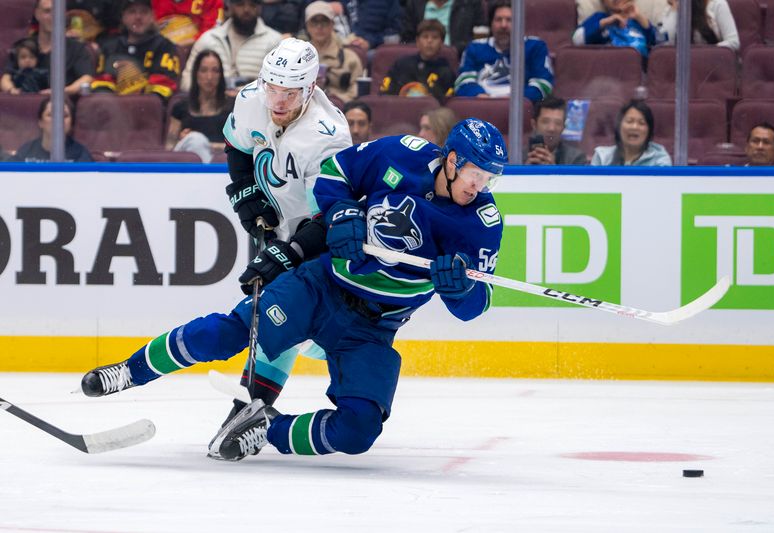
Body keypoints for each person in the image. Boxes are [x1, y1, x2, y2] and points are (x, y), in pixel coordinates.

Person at [80, 116, 508, 462]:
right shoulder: (401, 153)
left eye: (488, 179)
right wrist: (340, 212)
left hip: (373, 328)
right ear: (451, 159)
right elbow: (334, 174)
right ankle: (129, 371)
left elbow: (475, 305)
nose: (479, 187)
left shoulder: (482, 224)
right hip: (319, 286)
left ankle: (266, 428)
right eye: (474, 174)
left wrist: (457, 290)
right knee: (229, 331)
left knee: (359, 429)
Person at [182, 37, 351, 425]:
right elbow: (237, 145)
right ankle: (246, 413)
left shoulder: (329, 136)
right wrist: (244, 193)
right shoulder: (251, 98)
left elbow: (328, 218)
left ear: (309, 88)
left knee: (313, 333)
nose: (276, 102)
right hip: (280, 232)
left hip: (317, 241)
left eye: (289, 94)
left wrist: (289, 251)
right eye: (272, 89)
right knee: (276, 316)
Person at [455, 0, 554, 103]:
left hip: (520, 109)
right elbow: (463, 81)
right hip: (482, 106)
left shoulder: (535, 46)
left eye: (509, 20)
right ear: (491, 24)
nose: (503, 25)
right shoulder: (475, 47)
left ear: (519, 23)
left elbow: (544, 84)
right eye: (498, 20)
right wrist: (481, 96)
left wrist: (513, 101)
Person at [180, 0, 282, 93]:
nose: (246, 10)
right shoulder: (209, 39)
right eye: (240, 4)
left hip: (255, 105)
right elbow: (186, 82)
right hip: (213, 106)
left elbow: (281, 86)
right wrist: (216, 93)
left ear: (260, 8)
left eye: (252, 5)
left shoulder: (274, 42)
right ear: (229, 6)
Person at [91, 0, 180, 100]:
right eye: (132, 12)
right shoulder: (109, 47)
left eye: (144, 12)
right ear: (123, 17)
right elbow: (101, 83)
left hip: (149, 107)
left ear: (152, 17)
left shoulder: (164, 46)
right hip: (113, 106)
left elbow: (163, 87)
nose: (138, 17)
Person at [166, 49, 234, 162]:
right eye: (203, 70)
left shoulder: (233, 106)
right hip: (187, 165)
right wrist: (182, 140)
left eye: (215, 71)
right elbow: (169, 147)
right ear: (195, 73)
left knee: (196, 140)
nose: (209, 77)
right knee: (194, 140)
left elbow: (240, 146)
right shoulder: (180, 107)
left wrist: (208, 145)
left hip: (222, 162)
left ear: (221, 75)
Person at [23, 0, 95, 96]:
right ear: (37, 14)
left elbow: (86, 78)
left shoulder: (77, 48)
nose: (53, 16)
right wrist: (12, 89)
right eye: (47, 11)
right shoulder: (24, 46)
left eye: (57, 11)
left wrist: (63, 92)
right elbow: (6, 77)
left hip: (62, 102)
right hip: (26, 101)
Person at [380, 19, 455, 104]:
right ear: (417, 41)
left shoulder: (446, 72)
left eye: (435, 37)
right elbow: (385, 94)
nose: (429, 41)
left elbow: (447, 102)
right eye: (425, 37)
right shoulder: (401, 65)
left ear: (441, 43)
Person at [303, 1, 362, 103]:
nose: (319, 27)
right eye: (314, 22)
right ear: (307, 26)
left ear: (332, 24)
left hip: (340, 108)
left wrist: (336, 101)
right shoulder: (298, 56)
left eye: (324, 21)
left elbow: (356, 90)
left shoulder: (349, 57)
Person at [590, 99, 671, 166]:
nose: (634, 127)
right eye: (629, 121)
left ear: (649, 130)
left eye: (641, 123)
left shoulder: (660, 160)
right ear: (619, 126)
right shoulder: (602, 157)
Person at [11, 98, 93, 163]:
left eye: (65, 115)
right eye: (51, 114)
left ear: (71, 124)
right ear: (40, 122)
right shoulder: (25, 152)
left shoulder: (81, 154)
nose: (58, 119)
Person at [573, 0, 657, 60]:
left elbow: (659, 45)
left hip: (640, 75)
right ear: (603, 2)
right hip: (608, 73)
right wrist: (605, 23)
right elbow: (577, 40)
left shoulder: (639, 21)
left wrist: (639, 17)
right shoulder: (599, 18)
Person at [400, 0, 486, 55]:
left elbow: (480, 39)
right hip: (422, 60)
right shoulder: (414, 4)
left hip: (459, 59)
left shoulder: (470, 3)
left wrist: (453, 51)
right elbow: (407, 38)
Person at [526, 96, 588, 166]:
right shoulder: (517, 156)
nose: (551, 129)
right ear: (534, 124)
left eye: (558, 123)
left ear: (563, 127)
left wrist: (554, 170)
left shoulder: (576, 158)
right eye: (545, 122)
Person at [657, 0, 739, 51]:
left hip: (711, 65)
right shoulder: (669, 11)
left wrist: (703, 53)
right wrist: (675, 9)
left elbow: (734, 42)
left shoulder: (718, 5)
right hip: (682, 69)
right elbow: (663, 44)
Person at [152, 0, 223, 47]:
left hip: (199, 51)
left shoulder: (211, 1)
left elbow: (213, 34)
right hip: (158, 52)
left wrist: (182, 44)